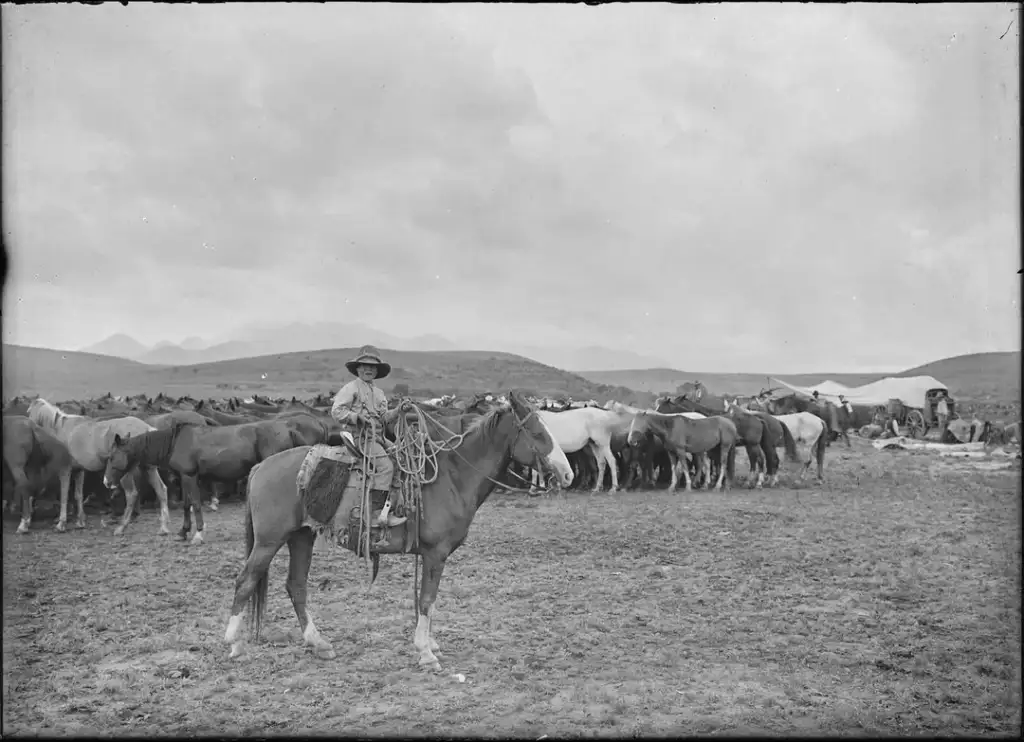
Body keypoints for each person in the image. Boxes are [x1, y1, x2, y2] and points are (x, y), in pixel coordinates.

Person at [330, 345, 411, 547]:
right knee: (386, 467)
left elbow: (384, 418)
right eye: (365, 366)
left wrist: (399, 410)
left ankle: (392, 505)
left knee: (402, 457)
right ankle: (374, 514)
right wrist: (357, 417)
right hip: (362, 437)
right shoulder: (350, 389)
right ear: (357, 369)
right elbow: (336, 411)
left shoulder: (379, 393)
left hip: (379, 438)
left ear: (377, 372)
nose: (369, 370)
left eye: (372, 368)